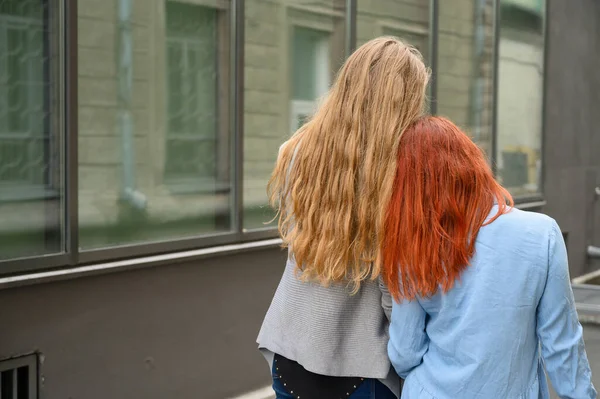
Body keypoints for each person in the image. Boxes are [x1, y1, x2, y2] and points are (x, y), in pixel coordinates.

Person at [257, 37, 429, 399]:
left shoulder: (295, 152)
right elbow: (392, 290)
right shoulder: (396, 173)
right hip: (360, 366)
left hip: (289, 352)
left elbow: (301, 243)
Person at [382, 116, 596, 399]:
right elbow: (562, 344)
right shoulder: (541, 234)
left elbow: (404, 353)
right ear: (471, 163)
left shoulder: (414, 244)